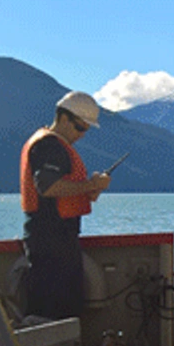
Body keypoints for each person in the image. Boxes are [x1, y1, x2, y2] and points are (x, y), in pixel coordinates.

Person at [20, 90, 111, 320]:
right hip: (50, 241)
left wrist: (92, 189)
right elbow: (48, 187)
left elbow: (67, 193)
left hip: (57, 239)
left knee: (63, 308)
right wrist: (90, 184)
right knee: (55, 310)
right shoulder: (49, 146)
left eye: (87, 129)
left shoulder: (55, 146)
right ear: (63, 118)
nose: (82, 134)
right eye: (80, 127)